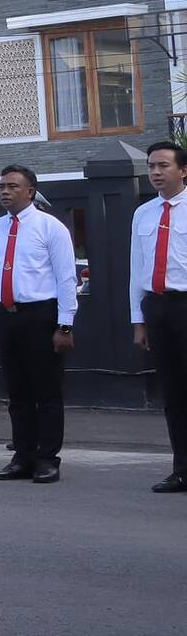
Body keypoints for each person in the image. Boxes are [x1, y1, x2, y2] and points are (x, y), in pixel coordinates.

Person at [0, 163, 77, 485]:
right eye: (1, 186)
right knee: (17, 392)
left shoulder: (51, 228)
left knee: (46, 392)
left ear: (30, 192)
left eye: (12, 186)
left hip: (40, 315)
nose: (5, 192)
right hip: (6, 316)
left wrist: (65, 325)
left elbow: (66, 278)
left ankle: (47, 458)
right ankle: (22, 456)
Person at [128, 138, 187, 494]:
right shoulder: (143, 213)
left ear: (183, 170)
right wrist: (139, 320)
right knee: (174, 393)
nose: (155, 172)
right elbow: (137, 269)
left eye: (163, 165)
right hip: (158, 308)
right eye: (151, 166)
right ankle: (181, 469)